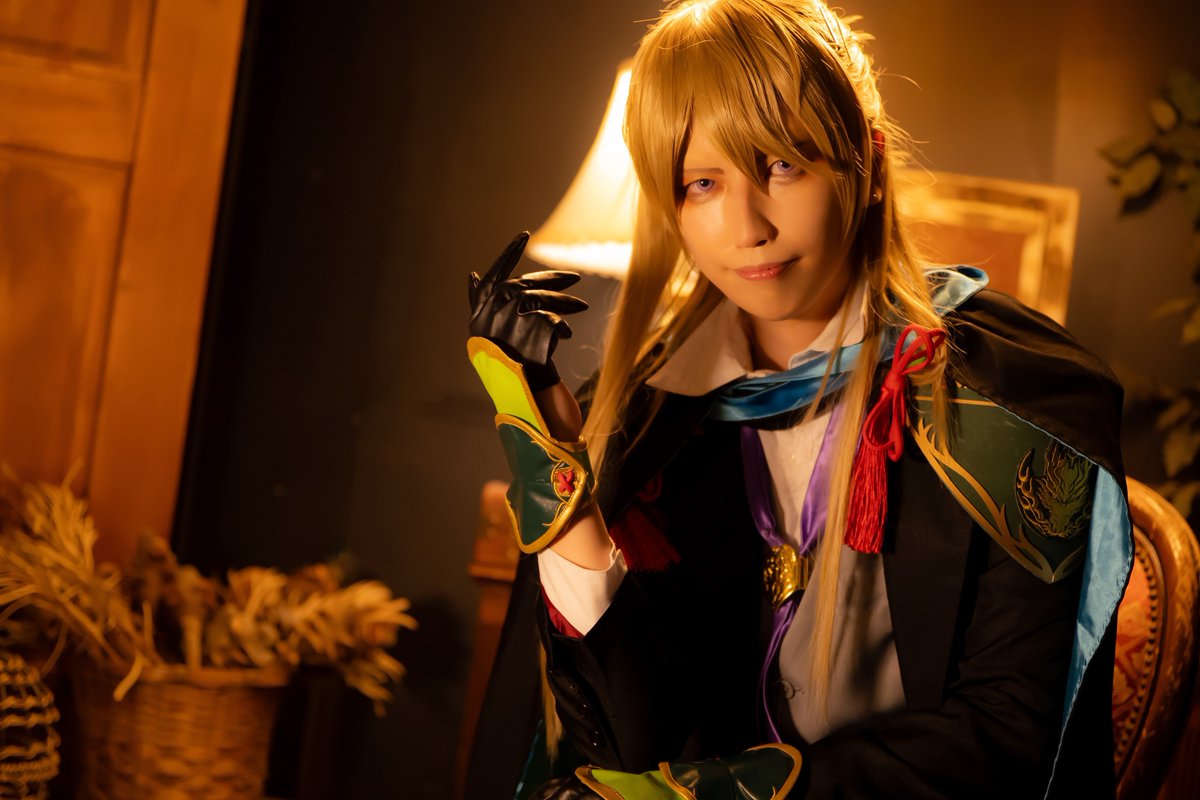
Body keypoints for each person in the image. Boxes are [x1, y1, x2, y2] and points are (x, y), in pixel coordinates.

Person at [464, 1, 1131, 797]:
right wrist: (555, 473)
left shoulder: (1009, 400)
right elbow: (628, 743)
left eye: (782, 166)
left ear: (869, 163)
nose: (746, 226)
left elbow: (1009, 739)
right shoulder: (644, 421)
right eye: (701, 184)